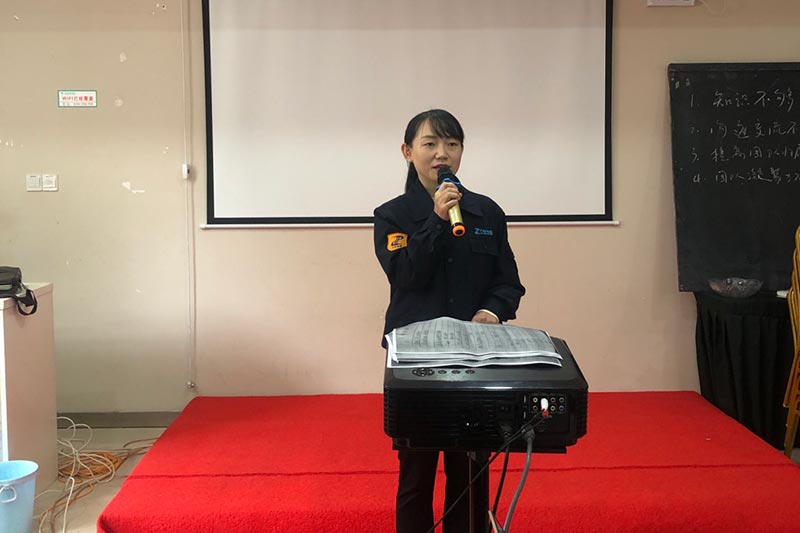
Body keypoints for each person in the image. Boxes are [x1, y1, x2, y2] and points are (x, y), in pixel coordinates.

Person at [373, 109, 526, 533]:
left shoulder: (486, 212)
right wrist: (437, 220)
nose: (442, 153)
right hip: (416, 363)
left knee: (470, 469)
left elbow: (508, 283)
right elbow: (406, 276)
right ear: (408, 152)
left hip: (475, 358)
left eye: (452, 144)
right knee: (416, 470)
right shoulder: (392, 216)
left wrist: (491, 313)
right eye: (430, 144)